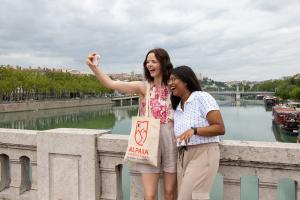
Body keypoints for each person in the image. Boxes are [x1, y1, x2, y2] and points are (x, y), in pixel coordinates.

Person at [86, 48, 177, 200]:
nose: (149, 65)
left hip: (171, 139)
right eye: (147, 62)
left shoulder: (174, 87)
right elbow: (111, 84)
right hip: (148, 141)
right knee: (149, 195)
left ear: (164, 63)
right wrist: (94, 67)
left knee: (170, 193)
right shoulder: (143, 87)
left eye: (154, 61)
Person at [168, 65, 225, 200]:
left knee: (188, 197)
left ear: (186, 81)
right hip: (183, 155)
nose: (170, 83)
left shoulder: (201, 97)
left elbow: (220, 127)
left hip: (203, 154)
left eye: (174, 79)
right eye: (169, 80)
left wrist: (194, 131)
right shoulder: (178, 106)